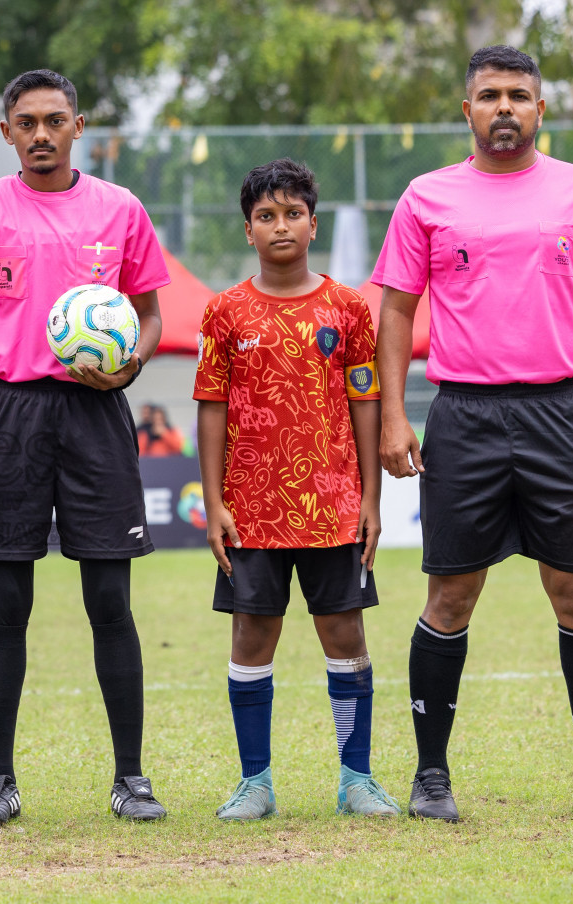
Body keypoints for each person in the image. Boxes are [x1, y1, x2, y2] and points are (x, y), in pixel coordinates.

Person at [373, 45, 573, 820]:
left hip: (562, 413)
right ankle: (432, 777)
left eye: (519, 96)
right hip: (462, 415)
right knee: (451, 594)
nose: (505, 107)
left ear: (540, 109)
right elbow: (396, 310)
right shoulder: (427, 197)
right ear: (466, 110)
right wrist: (395, 414)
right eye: (490, 95)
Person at [0, 69, 170, 824]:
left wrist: (128, 366)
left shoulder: (120, 209)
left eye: (55, 120)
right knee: (6, 602)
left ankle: (131, 777)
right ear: (6, 132)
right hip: (7, 415)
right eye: (26, 122)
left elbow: (150, 314)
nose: (41, 134)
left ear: (79, 126)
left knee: (110, 598)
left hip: (96, 414)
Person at [196, 159, 401, 821]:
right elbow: (211, 406)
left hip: (334, 508)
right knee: (252, 637)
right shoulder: (224, 312)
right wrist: (214, 501)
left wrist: (370, 498)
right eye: (265, 215)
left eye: (292, 214)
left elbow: (364, 400)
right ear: (248, 229)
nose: (279, 225)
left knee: (345, 636)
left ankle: (356, 779)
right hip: (251, 512)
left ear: (313, 224)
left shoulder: (348, 309)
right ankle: (255, 782)